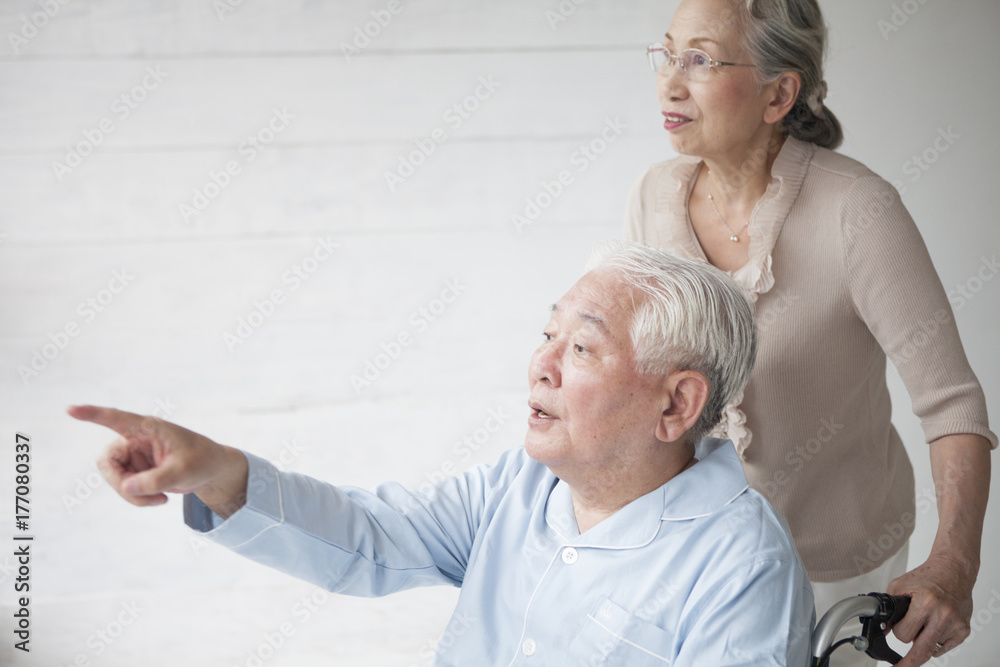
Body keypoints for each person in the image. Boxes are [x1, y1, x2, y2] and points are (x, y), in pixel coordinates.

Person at [69, 241, 814, 666]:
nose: (541, 364)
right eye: (546, 333)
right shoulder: (520, 486)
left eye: (582, 346)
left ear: (676, 404)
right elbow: (368, 538)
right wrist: (212, 470)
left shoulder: (741, 562)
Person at [624, 1, 996, 666]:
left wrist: (954, 564)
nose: (670, 82)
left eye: (701, 60)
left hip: (834, 566)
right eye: (667, 54)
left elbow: (953, 407)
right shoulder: (654, 197)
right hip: (688, 555)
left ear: (780, 94)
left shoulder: (859, 212)